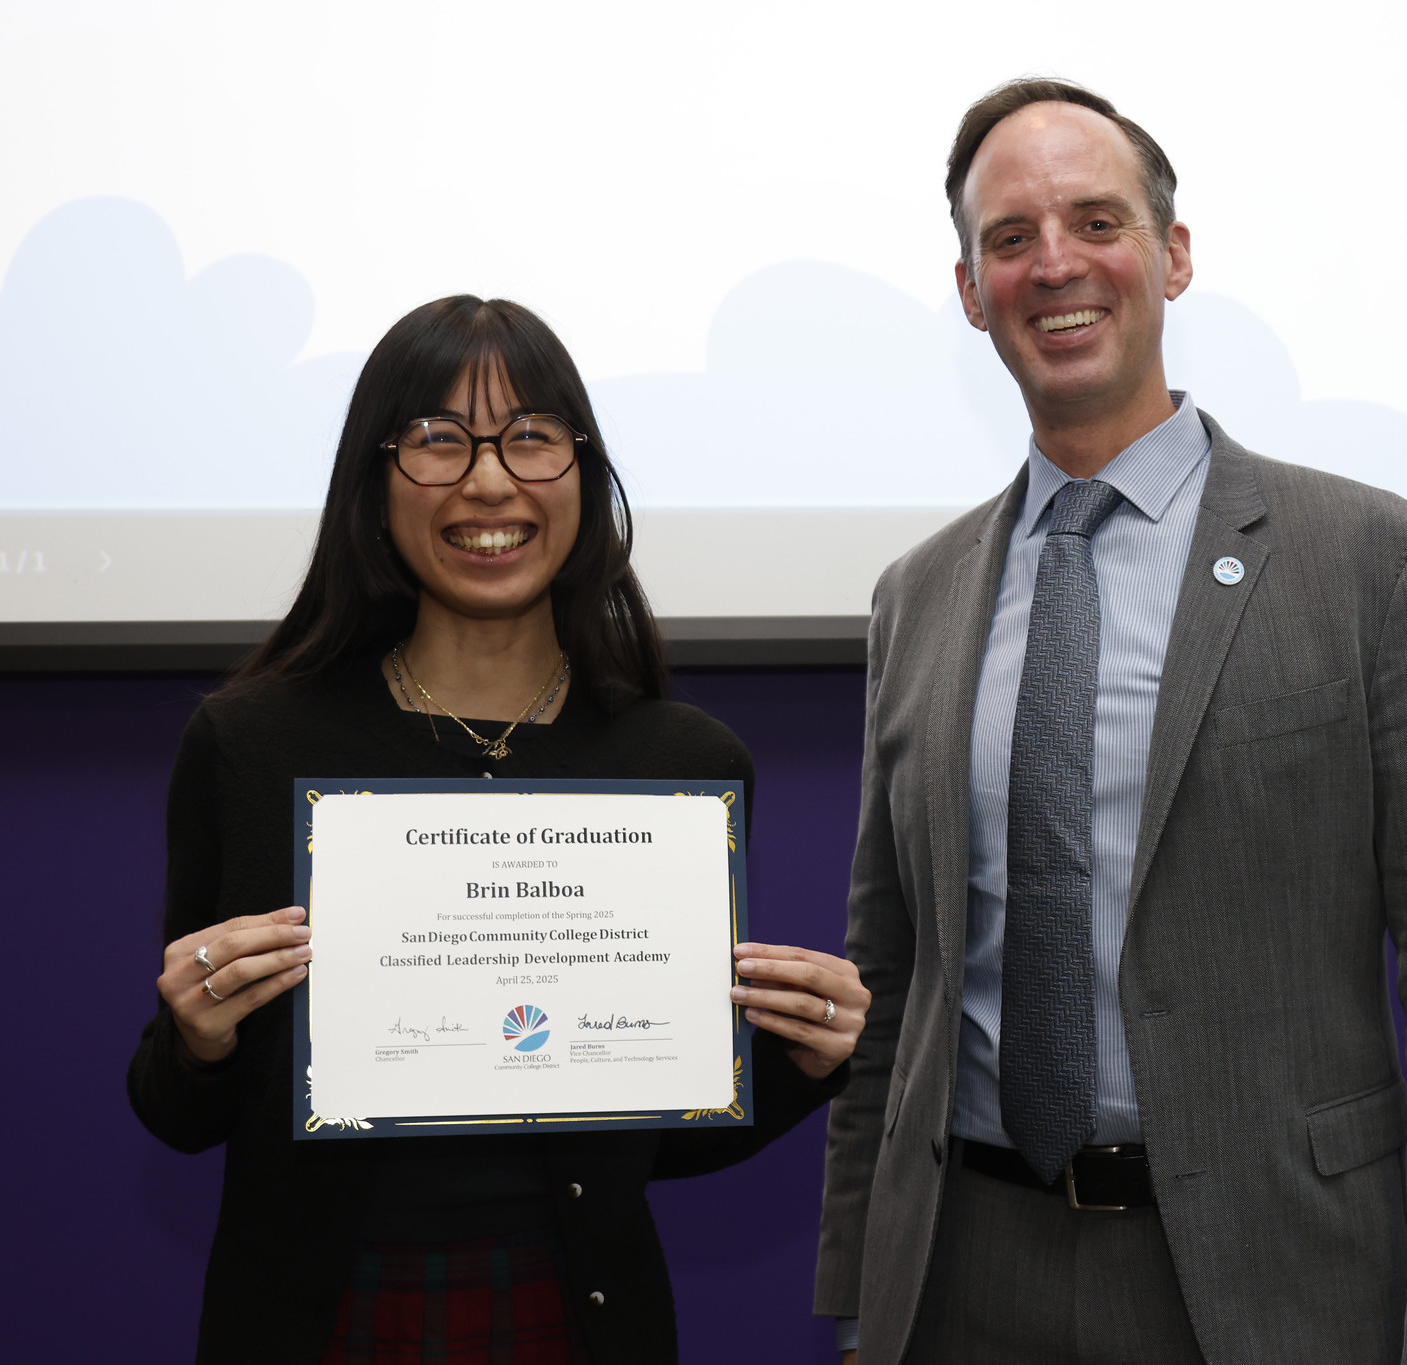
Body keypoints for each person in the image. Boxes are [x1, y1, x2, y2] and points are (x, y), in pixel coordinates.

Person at [816, 79, 1407, 1364]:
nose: (1055, 265)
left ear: (1173, 253)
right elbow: (891, 982)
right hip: (959, 1282)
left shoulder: (1364, 561)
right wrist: (857, 1293)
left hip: (1272, 1285)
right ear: (970, 289)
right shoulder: (914, 600)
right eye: (1009, 238)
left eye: (1095, 220)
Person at [127, 295, 871, 1365]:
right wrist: (198, 1038)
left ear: (583, 474)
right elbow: (174, 1112)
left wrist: (808, 1061)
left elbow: (646, 1140)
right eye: (437, 440)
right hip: (326, 1315)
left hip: (577, 1313)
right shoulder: (251, 746)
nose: (488, 481)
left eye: (530, 438)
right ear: (374, 482)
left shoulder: (681, 765)